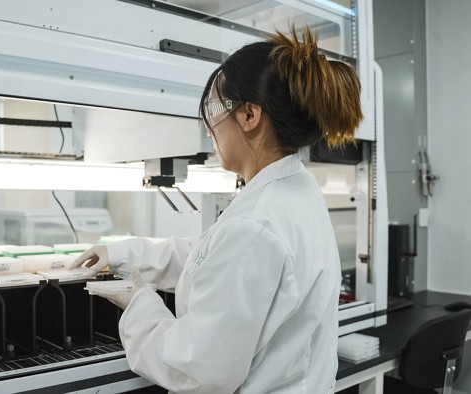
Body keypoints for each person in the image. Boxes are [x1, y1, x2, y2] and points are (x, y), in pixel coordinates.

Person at [68, 26, 362, 393]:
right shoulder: (292, 191)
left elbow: (197, 370)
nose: (209, 128)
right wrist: (124, 254)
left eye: (213, 108)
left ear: (249, 115)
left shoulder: (255, 225)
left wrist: (139, 304)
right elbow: (208, 258)